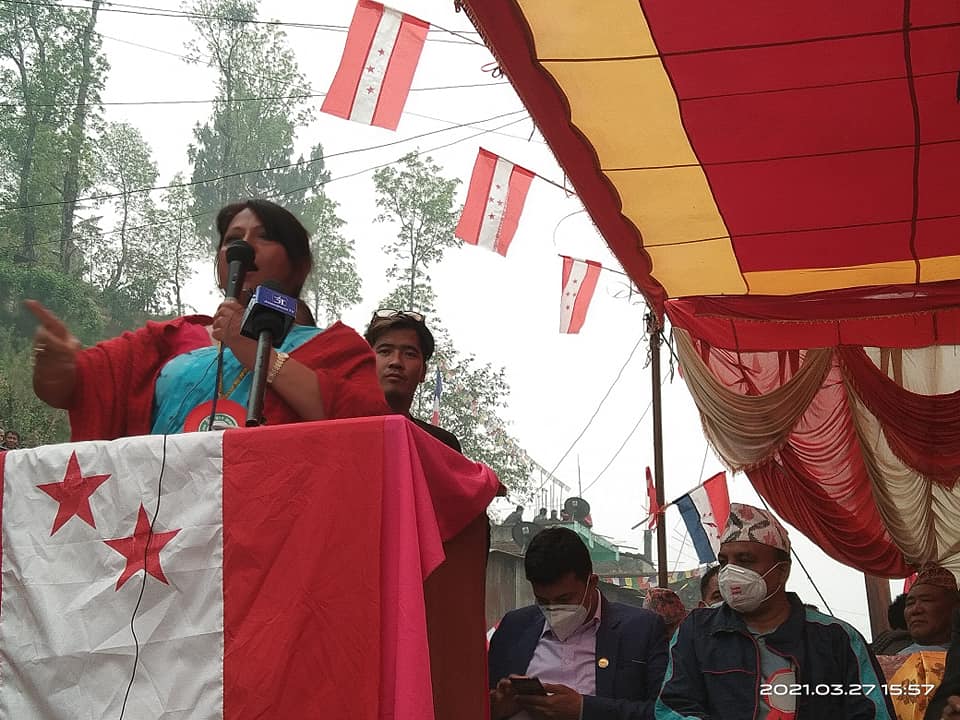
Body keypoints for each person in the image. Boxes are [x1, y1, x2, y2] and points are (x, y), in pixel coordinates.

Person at [27, 199, 389, 439]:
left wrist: (251, 350)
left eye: (264, 237)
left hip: (274, 520)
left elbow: (368, 426)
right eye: (233, 239)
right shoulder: (169, 339)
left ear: (298, 265)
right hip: (167, 518)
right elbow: (74, 389)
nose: (243, 247)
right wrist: (57, 367)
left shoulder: (333, 346)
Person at [656, 503, 894, 720]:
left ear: (782, 571)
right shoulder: (697, 630)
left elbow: (873, 712)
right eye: (725, 562)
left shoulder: (836, 638)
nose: (730, 573)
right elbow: (673, 708)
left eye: (745, 560)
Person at [488, 527, 667, 720]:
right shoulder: (513, 628)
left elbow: (666, 713)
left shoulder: (641, 630)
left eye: (564, 599)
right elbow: (481, 700)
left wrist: (584, 709)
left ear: (592, 583)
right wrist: (494, 709)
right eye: (543, 601)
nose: (553, 609)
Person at [362, 309, 461, 452]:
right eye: (385, 351)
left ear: (423, 372)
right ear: (366, 363)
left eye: (409, 354)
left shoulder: (443, 444)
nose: (396, 362)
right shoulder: (339, 431)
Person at [900, 564, 960, 655]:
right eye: (910, 603)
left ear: (955, 607)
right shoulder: (890, 660)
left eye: (926, 600)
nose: (915, 610)